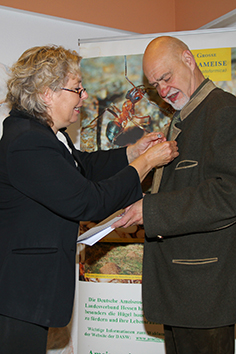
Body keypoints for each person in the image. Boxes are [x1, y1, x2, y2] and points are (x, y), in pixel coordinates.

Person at [0, 44, 178, 354]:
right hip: (20, 294)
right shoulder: (27, 141)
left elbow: (83, 166)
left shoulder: (45, 134)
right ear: (47, 93)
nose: (84, 96)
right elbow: (87, 201)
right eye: (77, 89)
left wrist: (131, 153)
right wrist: (146, 164)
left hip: (29, 292)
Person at [113, 36, 236, 354]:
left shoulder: (224, 112)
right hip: (181, 290)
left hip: (205, 294)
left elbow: (228, 193)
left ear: (188, 59)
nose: (163, 90)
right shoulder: (183, 119)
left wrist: (150, 211)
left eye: (165, 77)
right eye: (155, 85)